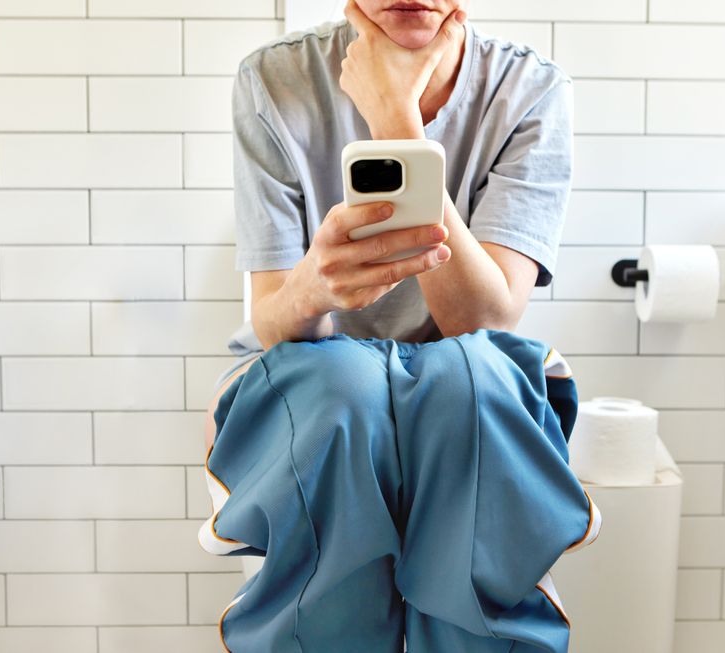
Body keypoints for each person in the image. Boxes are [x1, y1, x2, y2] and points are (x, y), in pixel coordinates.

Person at [199, 2, 600, 651]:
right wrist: (313, 286)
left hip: (469, 375)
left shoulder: (532, 90)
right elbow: (271, 320)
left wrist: (396, 118)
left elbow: (485, 318)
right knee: (345, 391)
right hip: (319, 371)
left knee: (467, 387)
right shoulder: (273, 79)